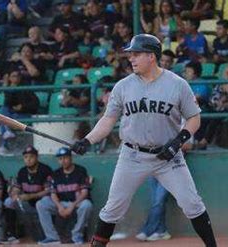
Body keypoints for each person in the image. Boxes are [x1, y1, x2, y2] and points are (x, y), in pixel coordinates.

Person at [70, 34, 217, 247]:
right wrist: (87, 140)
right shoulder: (123, 86)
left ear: (151, 56)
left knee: (192, 204)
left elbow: (194, 118)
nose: (131, 58)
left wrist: (178, 141)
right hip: (132, 155)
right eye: (130, 54)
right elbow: (108, 120)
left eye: (136, 54)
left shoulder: (177, 84)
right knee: (113, 209)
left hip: (168, 156)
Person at [36, 147, 93, 245]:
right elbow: (53, 193)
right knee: (41, 204)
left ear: (71, 158)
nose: (63, 161)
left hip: (77, 203)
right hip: (61, 204)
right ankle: (52, 237)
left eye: (65, 158)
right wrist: (59, 206)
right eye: (60, 159)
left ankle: (76, 235)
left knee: (87, 205)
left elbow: (84, 193)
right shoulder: (55, 173)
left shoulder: (80, 171)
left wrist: (72, 206)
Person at [3, 145, 53, 241]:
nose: (28, 159)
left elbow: (48, 191)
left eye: (31, 157)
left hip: (42, 202)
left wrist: (30, 196)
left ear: (36, 157)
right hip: (28, 203)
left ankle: (47, 235)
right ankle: (12, 235)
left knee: (44, 201)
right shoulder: (22, 171)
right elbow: (17, 188)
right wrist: (15, 193)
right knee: (9, 201)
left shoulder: (45, 170)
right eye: (26, 157)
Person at [0, 69, 40, 154]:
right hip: (12, 116)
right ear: (9, 78)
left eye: (18, 76)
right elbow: (8, 103)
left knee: (4, 119)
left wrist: (22, 107)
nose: (16, 78)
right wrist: (7, 89)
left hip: (24, 115)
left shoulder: (25, 89)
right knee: (4, 109)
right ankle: (7, 131)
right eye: (13, 76)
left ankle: (4, 144)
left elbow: (35, 103)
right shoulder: (8, 90)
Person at [135, 176, 171, 242]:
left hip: (167, 172)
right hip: (152, 172)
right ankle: (162, 232)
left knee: (158, 202)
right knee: (157, 203)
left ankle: (147, 231)